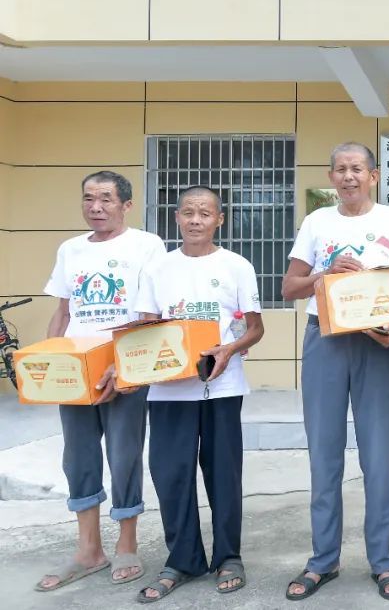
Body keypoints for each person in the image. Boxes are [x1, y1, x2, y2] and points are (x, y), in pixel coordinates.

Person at [282, 142, 389, 602]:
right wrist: (325, 272)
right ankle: (323, 559)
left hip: (379, 344)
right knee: (324, 454)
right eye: (340, 169)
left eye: (357, 169)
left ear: (374, 175)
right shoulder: (317, 223)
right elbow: (290, 287)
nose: (348, 177)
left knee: (378, 456)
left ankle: (381, 559)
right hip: (325, 338)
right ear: (331, 177)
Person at [132, 186, 264, 602]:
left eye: (204, 213)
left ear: (218, 220)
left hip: (221, 386)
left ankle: (229, 556)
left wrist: (229, 349)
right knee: (172, 477)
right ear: (176, 217)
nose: (195, 220)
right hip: (169, 392)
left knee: (224, 473)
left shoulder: (236, 266)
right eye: (188, 212)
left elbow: (255, 328)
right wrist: (149, 361)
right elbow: (145, 327)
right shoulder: (157, 269)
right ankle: (182, 559)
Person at [35, 171, 166, 592]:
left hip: (122, 366)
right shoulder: (70, 249)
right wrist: (51, 361)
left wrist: (128, 368)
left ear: (126, 205)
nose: (96, 207)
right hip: (76, 368)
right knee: (78, 456)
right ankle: (89, 550)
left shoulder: (147, 245)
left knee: (124, 455)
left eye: (107, 199)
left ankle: (127, 544)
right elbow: (64, 310)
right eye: (89, 198)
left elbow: (151, 315)